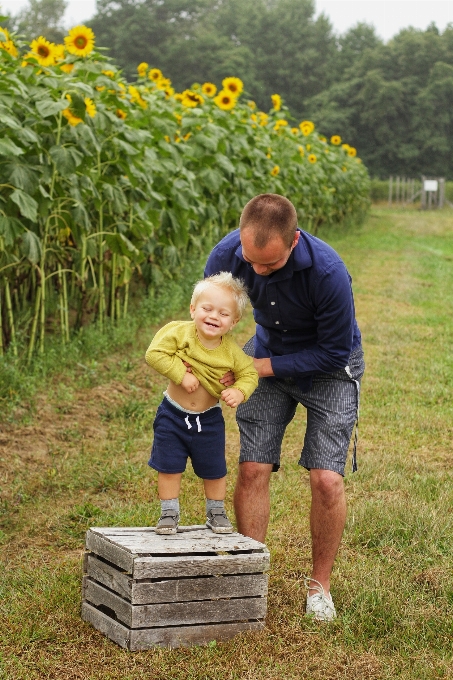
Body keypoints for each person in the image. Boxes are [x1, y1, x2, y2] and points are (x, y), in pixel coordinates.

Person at [205, 193, 365, 620]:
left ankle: (319, 588)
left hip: (329, 367)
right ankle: (250, 578)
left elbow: (334, 352)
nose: (256, 271)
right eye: (250, 260)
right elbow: (212, 317)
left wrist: (261, 366)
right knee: (253, 467)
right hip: (266, 352)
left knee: (327, 480)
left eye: (269, 266)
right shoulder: (227, 255)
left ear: (294, 241)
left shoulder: (328, 272)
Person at [145, 272, 258, 535]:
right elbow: (154, 354)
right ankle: (168, 513)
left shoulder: (231, 351)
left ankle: (215, 512)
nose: (213, 316)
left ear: (234, 322)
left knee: (214, 469)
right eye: (207, 309)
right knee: (169, 465)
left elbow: (249, 374)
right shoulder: (179, 332)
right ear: (193, 309)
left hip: (208, 419)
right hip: (172, 414)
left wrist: (239, 392)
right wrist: (180, 374)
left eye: (223, 313)